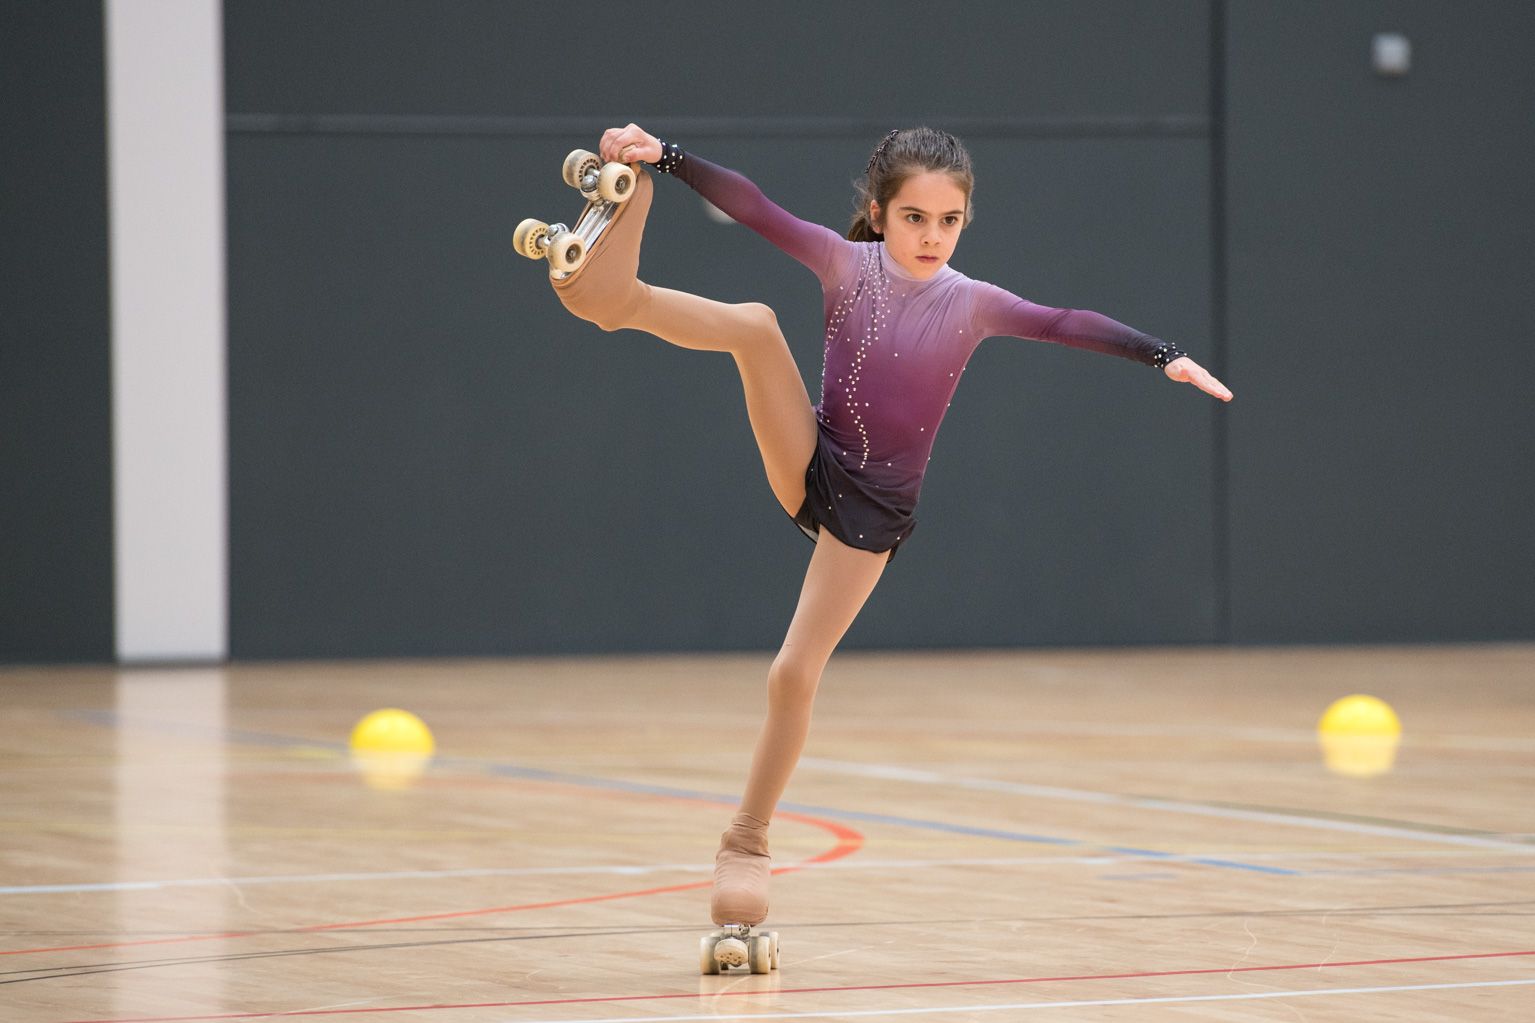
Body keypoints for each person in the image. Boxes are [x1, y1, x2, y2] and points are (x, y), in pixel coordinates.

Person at [542, 123, 1233, 930]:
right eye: (913, 218)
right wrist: (664, 157)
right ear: (878, 211)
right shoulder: (846, 263)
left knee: (791, 675)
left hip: (866, 518)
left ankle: (745, 841)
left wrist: (1163, 355)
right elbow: (757, 207)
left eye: (947, 220)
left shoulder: (972, 304)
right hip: (809, 456)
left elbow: (1064, 321)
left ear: (964, 221)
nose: (931, 236)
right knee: (755, 325)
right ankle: (612, 296)